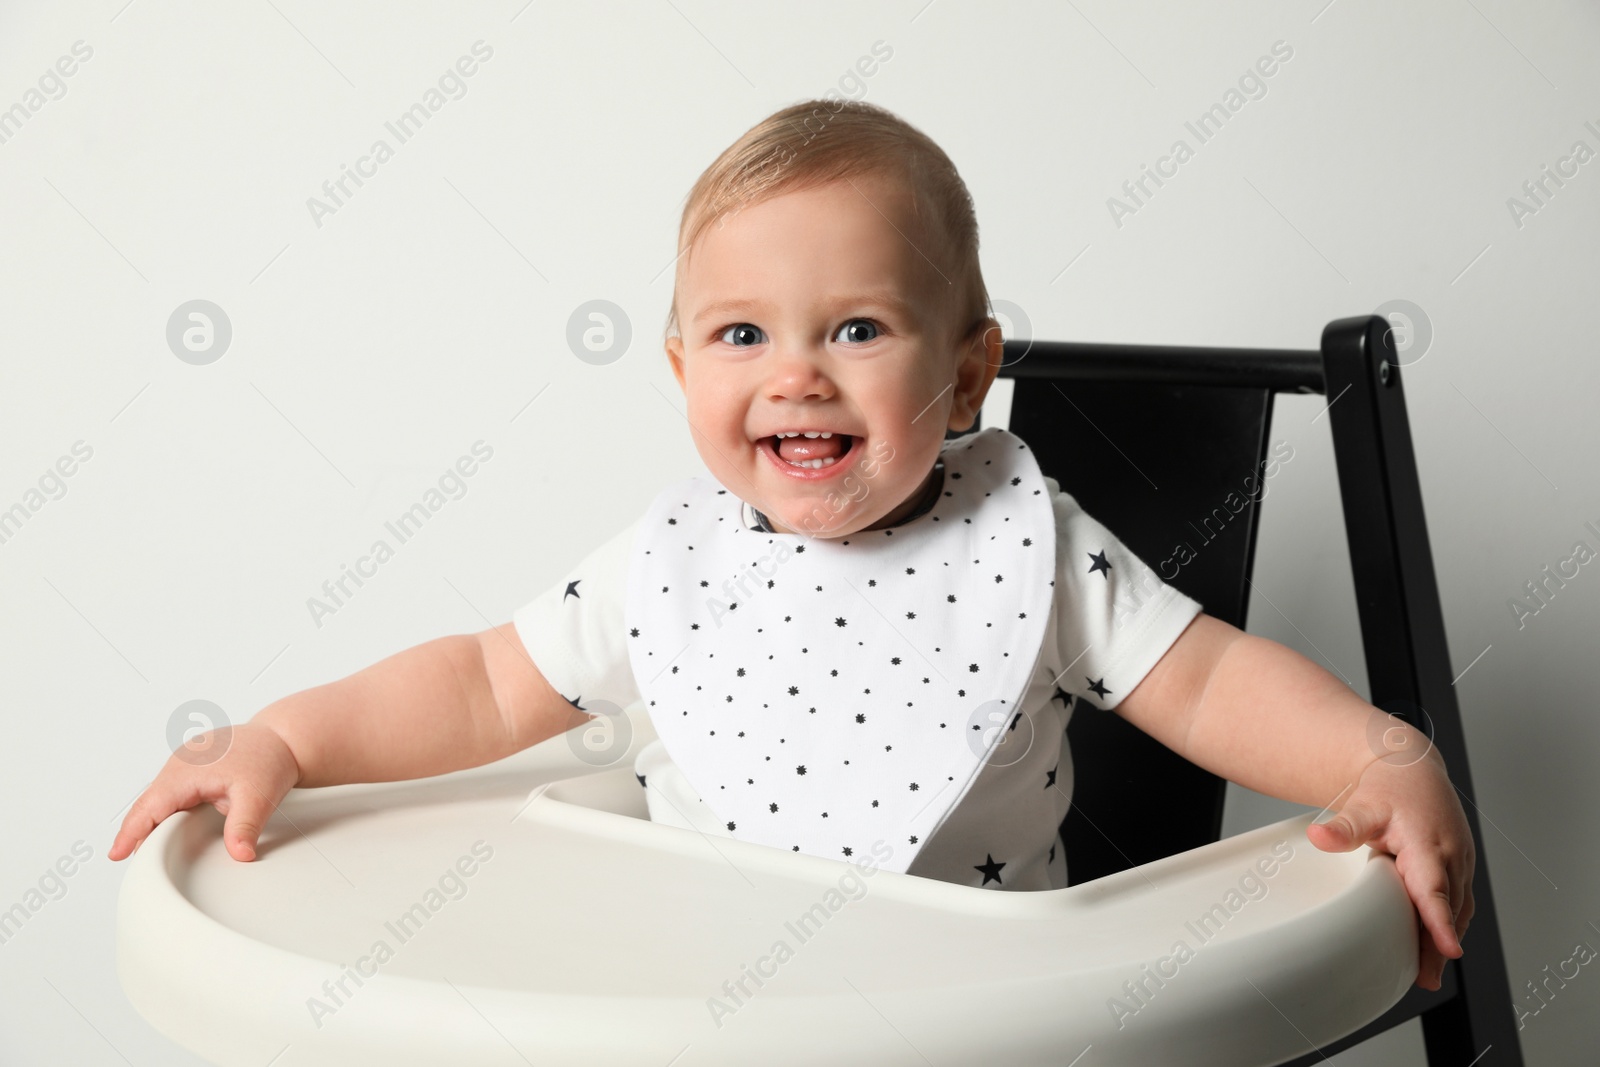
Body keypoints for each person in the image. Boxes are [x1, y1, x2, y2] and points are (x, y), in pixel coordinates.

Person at [110, 98, 1474, 992]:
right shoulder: (666, 566)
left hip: (987, 1018)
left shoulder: (1031, 547)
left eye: (859, 329)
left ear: (965, 373)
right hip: (711, 1012)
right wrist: (284, 739)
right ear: (681, 364)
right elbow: (475, 684)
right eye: (744, 333)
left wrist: (1377, 757)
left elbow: (1217, 683)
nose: (798, 375)